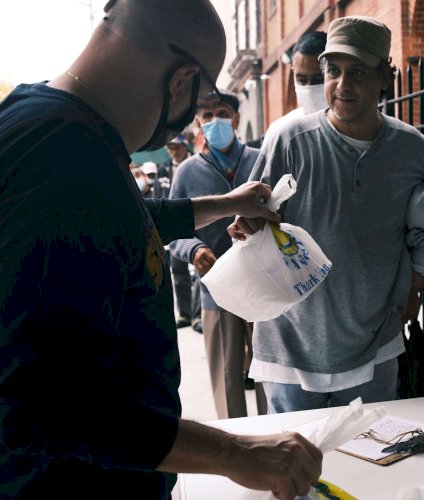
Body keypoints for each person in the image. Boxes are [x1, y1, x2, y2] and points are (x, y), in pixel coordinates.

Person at [0, 1, 322, 498]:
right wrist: (236, 453)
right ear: (181, 81)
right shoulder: (61, 154)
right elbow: (44, 400)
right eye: (196, 107)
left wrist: (222, 204)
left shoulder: (59, 128)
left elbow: (116, 223)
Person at [229, 16, 424, 414]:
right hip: (291, 346)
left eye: (357, 72)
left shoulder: (412, 150)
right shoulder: (289, 140)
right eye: (333, 71)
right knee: (296, 471)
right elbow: (252, 220)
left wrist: (419, 278)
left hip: (375, 346)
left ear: (384, 78)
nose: (341, 85)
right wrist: (249, 228)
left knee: (370, 465)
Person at [169, 89, 262, 419]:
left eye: (222, 113)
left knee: (269, 375)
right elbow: (171, 233)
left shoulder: (260, 159)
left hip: (264, 285)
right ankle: (237, 443)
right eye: (207, 116)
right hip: (216, 290)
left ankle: (277, 436)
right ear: (198, 123)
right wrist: (194, 249)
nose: (214, 121)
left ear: (236, 119)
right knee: (226, 379)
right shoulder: (187, 172)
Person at [161, 134, 203, 332]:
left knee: (198, 271)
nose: (172, 151)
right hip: (171, 228)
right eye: (170, 148)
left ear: (184, 147)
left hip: (193, 224)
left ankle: (197, 316)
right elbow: (156, 197)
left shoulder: (194, 166)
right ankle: (185, 313)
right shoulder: (164, 169)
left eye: (175, 147)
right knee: (178, 271)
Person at [262, 30, 327, 143]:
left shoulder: (358, 128)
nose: (309, 88)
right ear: (293, 72)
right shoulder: (281, 133)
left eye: (319, 79)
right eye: (302, 80)